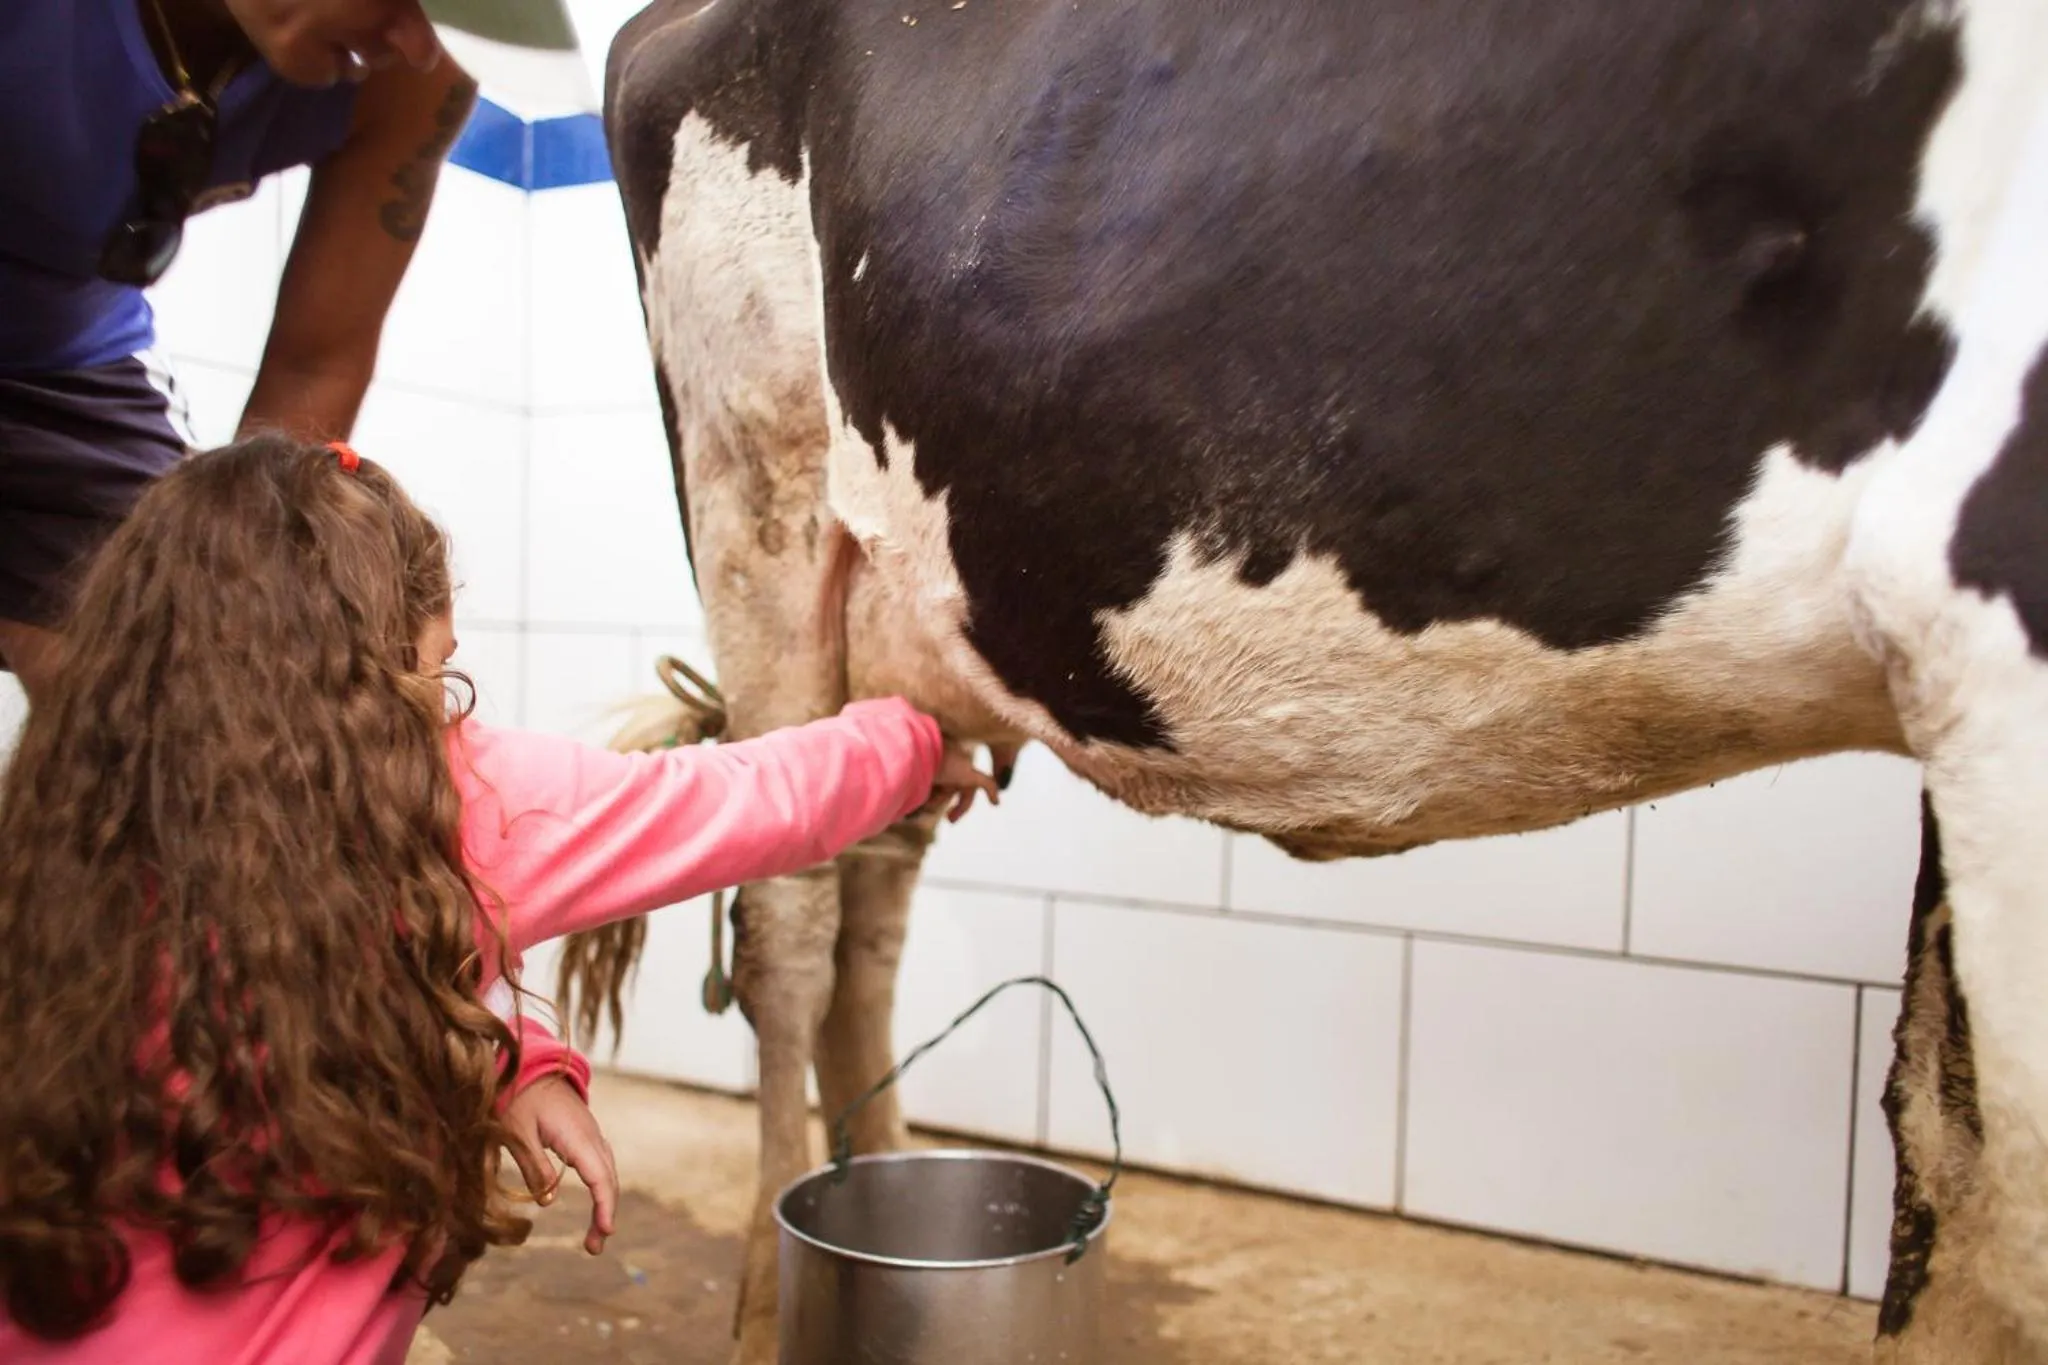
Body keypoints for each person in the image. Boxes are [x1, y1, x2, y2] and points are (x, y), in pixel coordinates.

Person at [0, 434, 996, 1362]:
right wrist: (915, 741)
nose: (444, 704)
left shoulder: (68, 836)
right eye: (435, 673)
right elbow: (738, 802)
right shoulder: (444, 802)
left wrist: (511, 1061)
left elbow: (309, 998)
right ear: (363, 676)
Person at [0, 0, 474, 705]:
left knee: (179, 691)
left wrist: (245, 588)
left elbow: (315, 365)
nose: (414, 40)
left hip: (68, 357)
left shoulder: (421, 68)